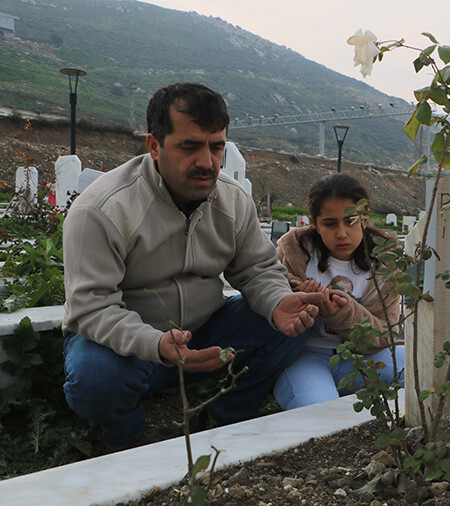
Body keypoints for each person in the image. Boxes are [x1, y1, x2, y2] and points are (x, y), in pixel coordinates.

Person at [62, 82, 322, 451]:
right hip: (130, 347)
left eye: (216, 146)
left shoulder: (232, 200)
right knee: (95, 377)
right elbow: (91, 308)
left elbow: (257, 270)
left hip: (204, 335)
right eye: (190, 146)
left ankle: (225, 419)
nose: (207, 161)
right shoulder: (102, 210)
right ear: (154, 146)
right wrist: (156, 344)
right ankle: (125, 440)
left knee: (294, 320)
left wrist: (279, 301)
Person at [273, 173, 404, 410]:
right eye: (330, 224)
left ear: (365, 217)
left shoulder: (384, 264)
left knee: (425, 370)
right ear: (314, 222)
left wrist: (342, 314)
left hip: (363, 359)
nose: (342, 233)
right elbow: (268, 295)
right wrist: (297, 294)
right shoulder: (293, 253)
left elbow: (387, 334)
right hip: (306, 358)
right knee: (321, 415)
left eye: (350, 221)